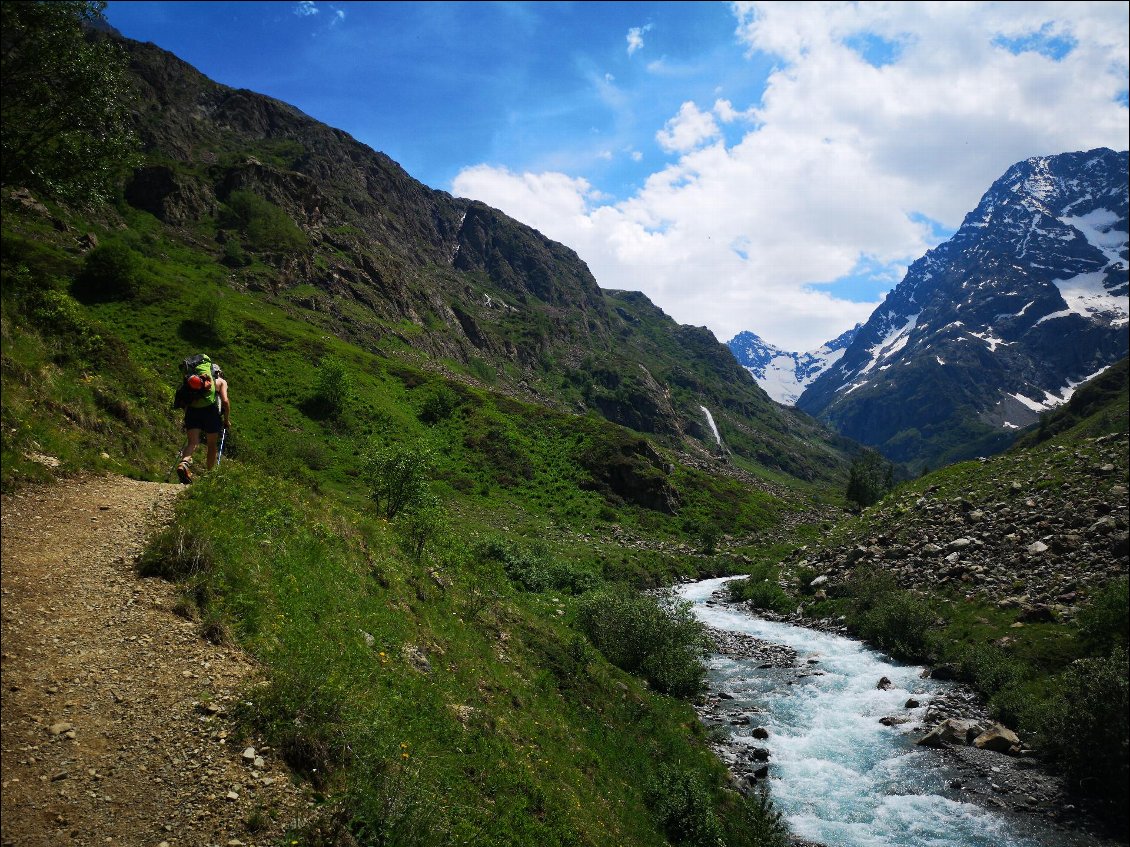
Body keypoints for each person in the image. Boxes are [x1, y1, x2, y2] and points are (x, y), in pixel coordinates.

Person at [176, 365, 230, 484]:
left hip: (192, 412)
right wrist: (226, 420)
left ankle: (184, 463)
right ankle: (210, 475)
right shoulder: (221, 381)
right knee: (211, 445)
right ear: (219, 372)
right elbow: (225, 401)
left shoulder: (197, 383)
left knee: (192, 442)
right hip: (211, 413)